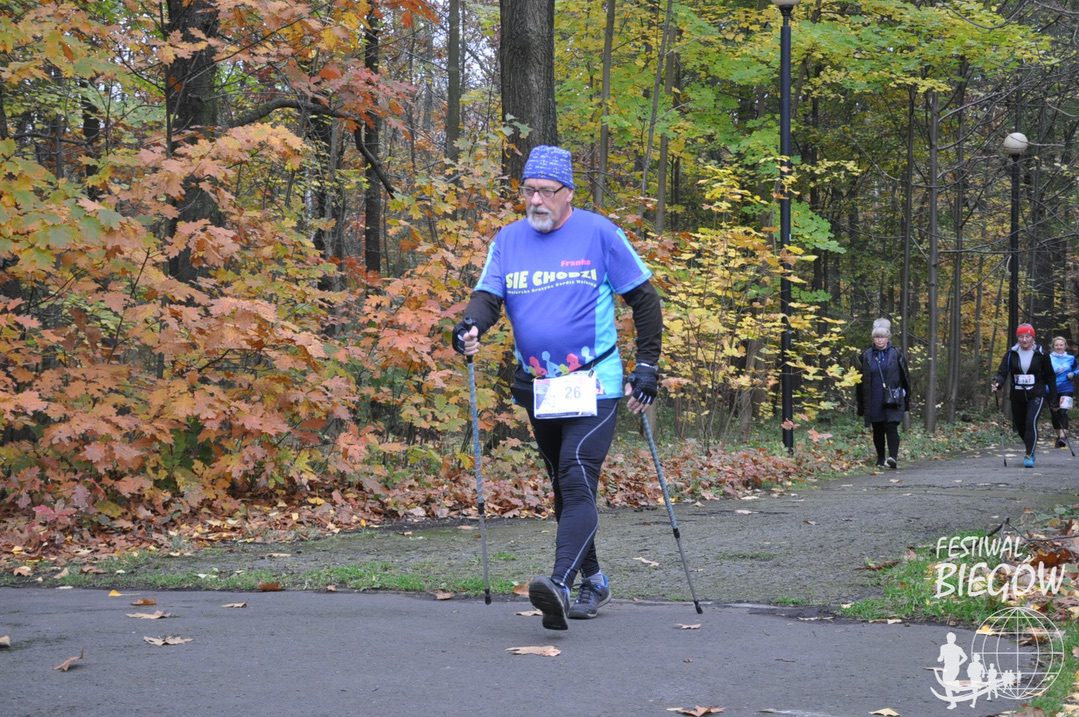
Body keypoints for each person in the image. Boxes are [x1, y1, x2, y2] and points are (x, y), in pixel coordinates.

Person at [451, 145, 663, 631]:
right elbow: (488, 297)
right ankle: (595, 580)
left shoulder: (600, 233)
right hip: (540, 387)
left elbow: (645, 300)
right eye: (529, 190)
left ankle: (560, 584)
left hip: (596, 381)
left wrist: (647, 366)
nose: (536, 200)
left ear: (568, 192)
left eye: (546, 191)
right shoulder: (508, 239)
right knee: (564, 486)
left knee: (576, 472)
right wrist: (470, 326)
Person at [991, 323, 1057, 467]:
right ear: (1017, 338)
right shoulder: (1011, 354)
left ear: (1033, 337)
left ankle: (1029, 454)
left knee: (1030, 422)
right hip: (1017, 395)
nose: (1024, 339)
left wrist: (1053, 397)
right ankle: (1030, 445)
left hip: (1036, 393)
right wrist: (998, 383)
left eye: (1027, 336)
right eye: (1021, 337)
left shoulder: (1041, 354)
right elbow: (1002, 373)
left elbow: (1050, 376)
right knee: (1020, 427)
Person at [855, 318, 911, 469]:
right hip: (873, 397)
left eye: (883, 336)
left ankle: (893, 458)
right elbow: (859, 381)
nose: (880, 340)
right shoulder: (866, 355)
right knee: (878, 429)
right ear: (873, 338)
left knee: (891, 426)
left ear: (888, 337)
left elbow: (905, 376)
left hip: (893, 397)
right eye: (877, 337)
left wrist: (905, 395)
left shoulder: (896, 354)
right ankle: (880, 459)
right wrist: (860, 404)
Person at [1048, 336, 1077, 448]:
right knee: (1055, 414)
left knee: (1063, 412)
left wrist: (1073, 374)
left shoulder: (1071, 358)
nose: (1059, 347)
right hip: (1051, 390)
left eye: (1061, 345)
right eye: (1056, 345)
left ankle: (1062, 437)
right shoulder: (1048, 358)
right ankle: (1059, 437)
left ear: (1065, 346)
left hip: (1066, 389)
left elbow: (1077, 369)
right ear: (1053, 346)